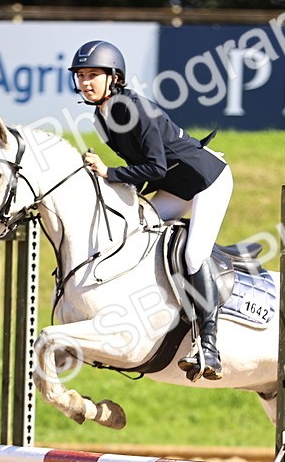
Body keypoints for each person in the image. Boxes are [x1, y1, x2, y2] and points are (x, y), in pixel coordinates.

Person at [69, 40, 233, 381]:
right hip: (177, 186)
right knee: (133, 231)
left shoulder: (132, 109)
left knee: (193, 255)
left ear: (114, 77)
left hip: (207, 180)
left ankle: (210, 345)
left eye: (93, 75)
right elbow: (145, 168)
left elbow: (155, 168)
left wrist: (109, 174)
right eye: (81, 76)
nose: (85, 82)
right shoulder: (102, 117)